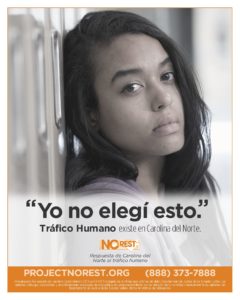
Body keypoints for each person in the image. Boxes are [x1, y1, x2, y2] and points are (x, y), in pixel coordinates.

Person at [63, 10, 217, 199]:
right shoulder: (108, 211)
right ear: (90, 113)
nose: (164, 99)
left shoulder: (177, 189)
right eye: (132, 87)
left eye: (166, 76)